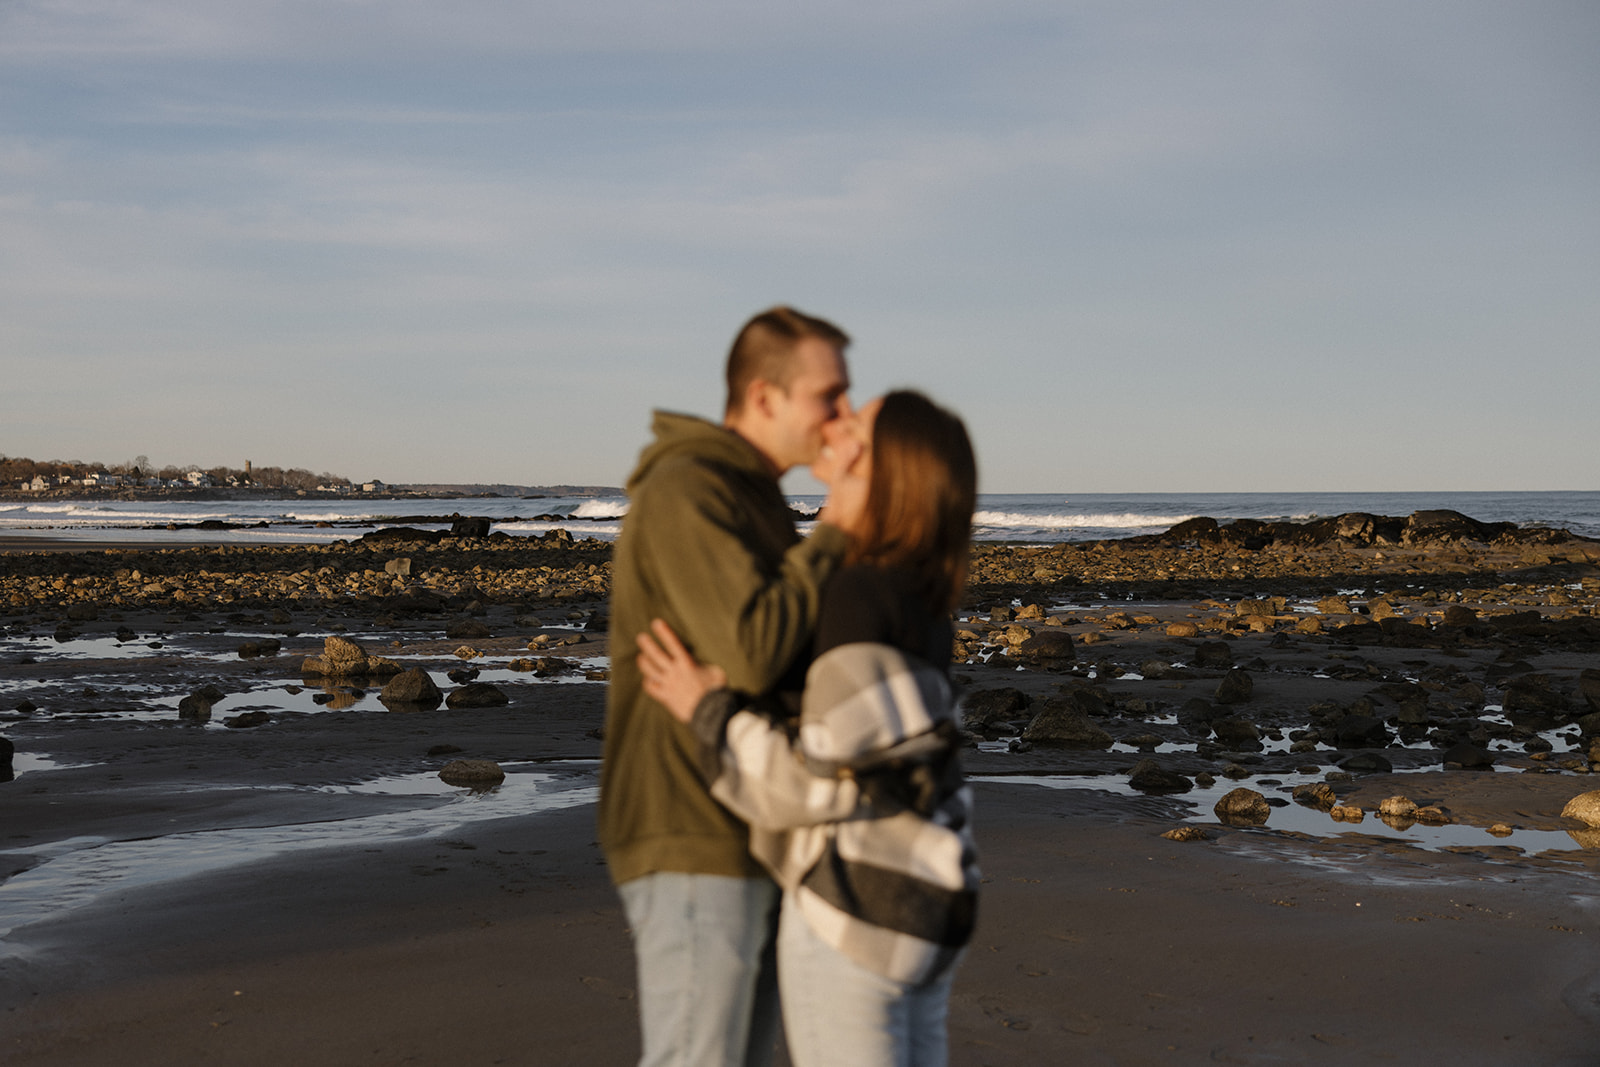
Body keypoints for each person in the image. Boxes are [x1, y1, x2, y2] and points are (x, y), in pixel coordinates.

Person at [636, 390, 980, 1067]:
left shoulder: (856, 598)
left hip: (857, 914)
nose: (839, 416)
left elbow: (814, 782)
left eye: (859, 421)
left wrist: (709, 710)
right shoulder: (926, 605)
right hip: (933, 903)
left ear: (880, 467)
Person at [600, 307, 868, 1067]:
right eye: (830, 396)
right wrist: (839, 528)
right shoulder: (689, 489)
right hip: (689, 819)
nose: (842, 415)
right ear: (763, 396)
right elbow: (754, 650)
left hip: (741, 811)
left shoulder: (750, 494)